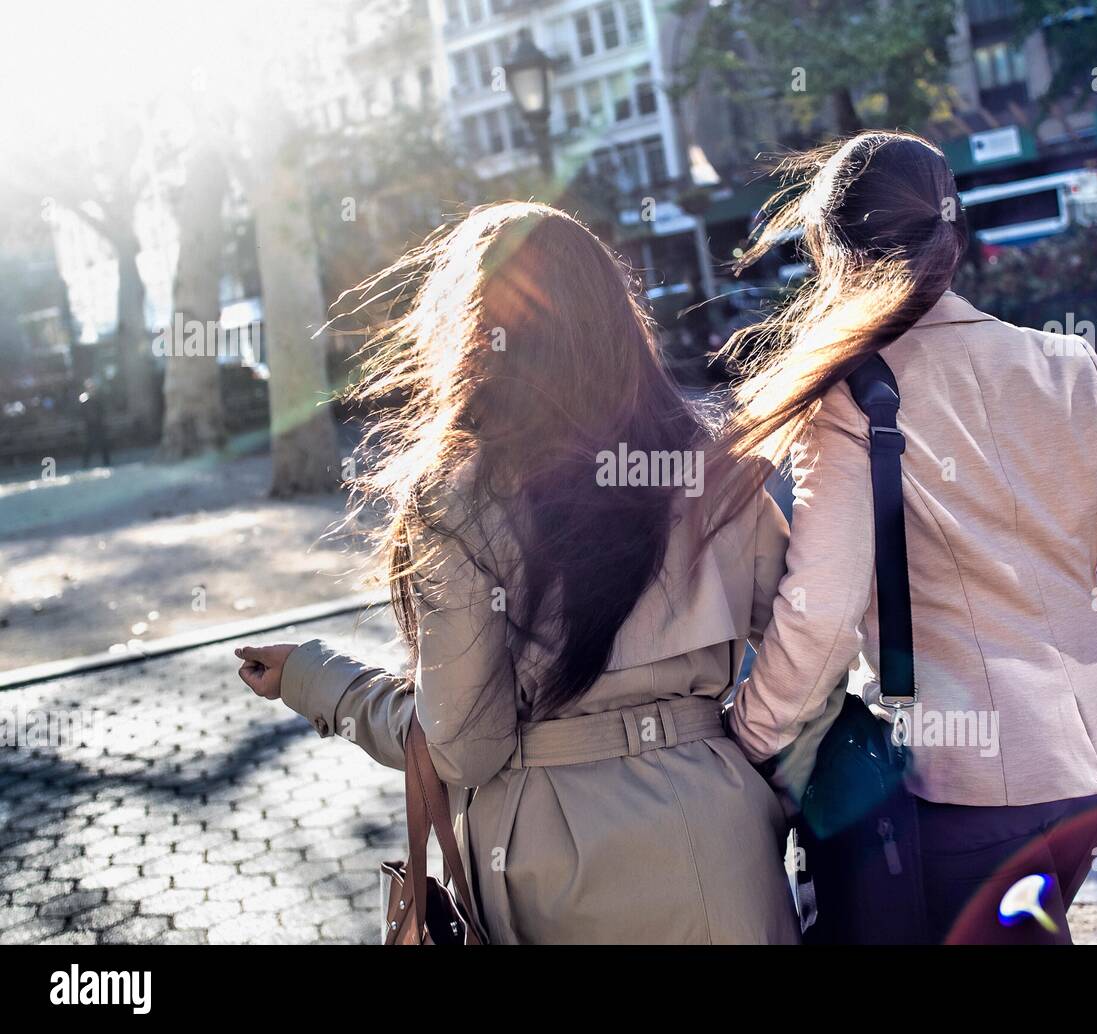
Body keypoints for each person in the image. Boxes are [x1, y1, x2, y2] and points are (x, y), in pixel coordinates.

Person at [234, 202, 798, 945]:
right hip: (729, 855)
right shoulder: (712, 468)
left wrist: (321, 682)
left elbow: (465, 746)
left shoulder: (461, 497)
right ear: (618, 320)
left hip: (557, 873)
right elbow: (808, 645)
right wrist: (737, 748)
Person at [718, 131, 1097, 944]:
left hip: (969, 786)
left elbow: (822, 613)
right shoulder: (1071, 364)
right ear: (955, 238)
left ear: (832, 254)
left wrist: (750, 735)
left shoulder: (852, 397)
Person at [78, 377, 111, 468]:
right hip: (90, 425)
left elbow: (102, 410)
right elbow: (82, 411)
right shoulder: (84, 398)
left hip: (98, 424)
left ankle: (106, 462)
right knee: (89, 445)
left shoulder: (98, 398)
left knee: (103, 443)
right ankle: (85, 463)